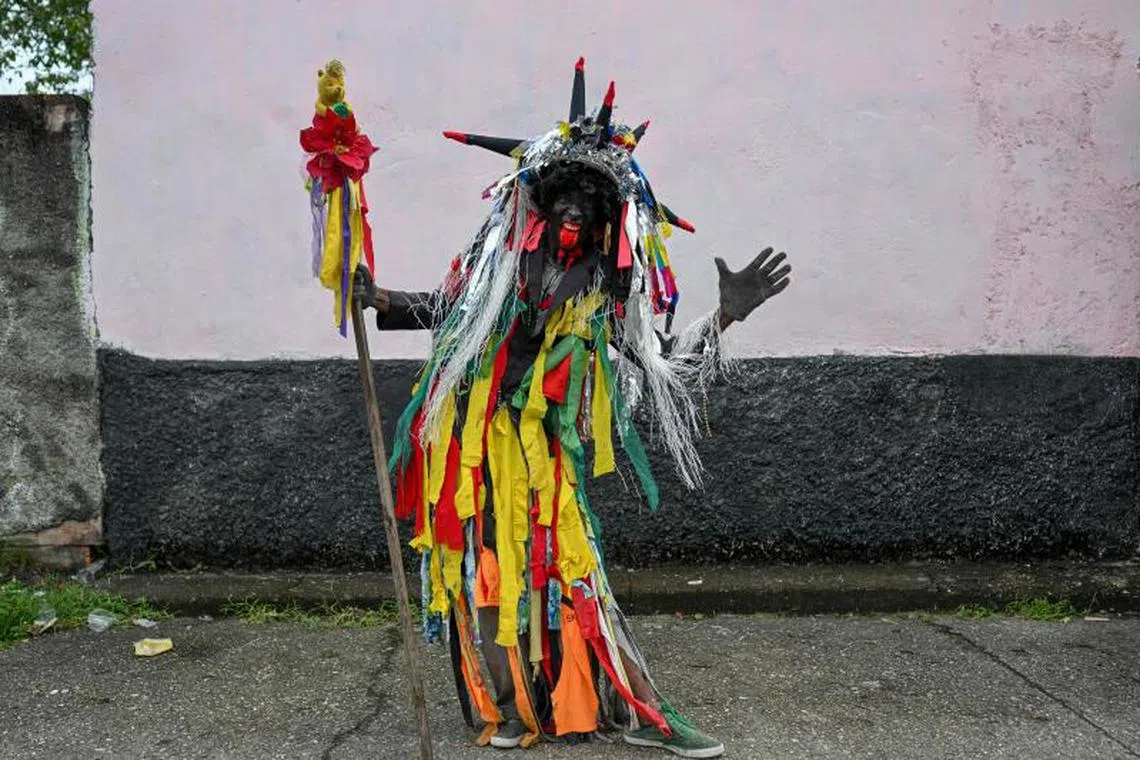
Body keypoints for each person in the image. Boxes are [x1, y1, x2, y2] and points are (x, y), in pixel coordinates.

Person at [352, 58, 791, 758]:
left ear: (604, 220)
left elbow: (662, 361)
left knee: (573, 573)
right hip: (474, 450)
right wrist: (376, 300)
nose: (575, 207)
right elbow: (446, 310)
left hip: (546, 459)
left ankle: (636, 710)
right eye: (566, 192)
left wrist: (725, 319)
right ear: (542, 198)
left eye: (591, 199)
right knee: (486, 573)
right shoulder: (500, 269)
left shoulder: (601, 296)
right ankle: (514, 709)